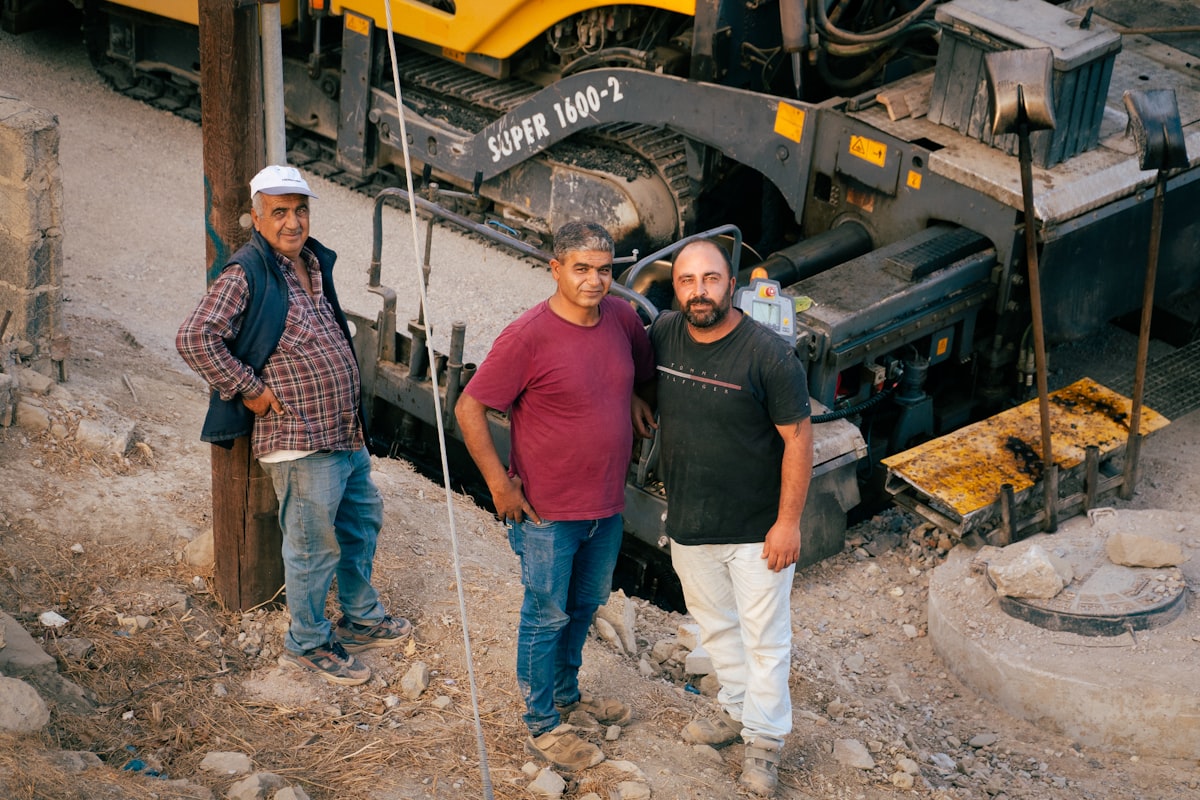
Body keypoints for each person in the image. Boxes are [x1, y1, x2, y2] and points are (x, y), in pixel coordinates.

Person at [176, 164, 411, 687]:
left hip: (343, 433)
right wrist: (250, 388)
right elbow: (195, 338)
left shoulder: (311, 262)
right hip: (299, 440)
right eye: (278, 212)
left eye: (299, 210)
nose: (291, 221)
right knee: (311, 546)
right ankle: (306, 642)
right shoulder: (247, 271)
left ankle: (361, 617)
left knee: (361, 524)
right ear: (257, 218)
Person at [455, 221, 655, 772]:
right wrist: (499, 483)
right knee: (545, 614)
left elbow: (638, 369)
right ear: (557, 269)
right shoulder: (529, 336)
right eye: (582, 269)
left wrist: (635, 394)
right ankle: (542, 724)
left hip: (606, 506)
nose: (595, 281)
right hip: (546, 511)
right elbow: (469, 408)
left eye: (604, 270)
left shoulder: (622, 317)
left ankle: (568, 697)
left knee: (585, 606)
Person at [632, 238, 813, 796]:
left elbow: (799, 441)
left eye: (710, 279)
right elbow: (642, 371)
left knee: (766, 638)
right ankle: (735, 710)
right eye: (688, 281)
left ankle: (763, 742)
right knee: (718, 630)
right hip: (689, 521)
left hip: (757, 531)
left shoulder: (768, 354)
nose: (699, 291)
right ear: (676, 288)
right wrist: (642, 396)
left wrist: (788, 522)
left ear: (730, 284)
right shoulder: (662, 333)